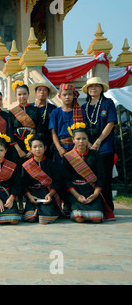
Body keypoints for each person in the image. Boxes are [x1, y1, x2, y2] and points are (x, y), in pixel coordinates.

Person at [62, 124, 115, 223]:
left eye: (84, 138)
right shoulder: (68, 157)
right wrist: (77, 196)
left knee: (97, 219)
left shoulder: (96, 155)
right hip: (75, 190)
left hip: (91, 189)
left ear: (88, 139)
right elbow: (66, 179)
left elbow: (101, 176)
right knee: (79, 218)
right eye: (78, 139)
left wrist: (95, 194)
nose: (81, 141)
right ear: (73, 140)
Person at [81, 77, 117, 212]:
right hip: (88, 147)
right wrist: (89, 143)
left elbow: (111, 123)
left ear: (101, 88)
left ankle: (108, 207)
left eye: (96, 86)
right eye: (90, 87)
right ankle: (93, 205)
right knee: (90, 177)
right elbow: (82, 127)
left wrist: (98, 141)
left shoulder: (108, 103)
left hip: (104, 146)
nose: (93, 89)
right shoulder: (84, 107)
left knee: (105, 177)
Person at [21, 134, 62, 224]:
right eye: (35, 147)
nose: (38, 149)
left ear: (45, 148)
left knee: (44, 219)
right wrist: (29, 196)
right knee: (30, 218)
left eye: (40, 146)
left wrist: (50, 195)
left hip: (47, 192)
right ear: (30, 149)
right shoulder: (26, 165)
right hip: (33, 194)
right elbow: (23, 184)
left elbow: (57, 182)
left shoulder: (51, 164)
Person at [49, 83, 86, 171]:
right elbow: (53, 132)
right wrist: (59, 148)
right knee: (61, 172)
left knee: (76, 172)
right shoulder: (56, 112)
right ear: (59, 96)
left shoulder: (80, 112)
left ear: (74, 96)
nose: (67, 97)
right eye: (64, 95)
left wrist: (75, 148)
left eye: (70, 94)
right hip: (61, 147)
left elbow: (83, 131)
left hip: (77, 147)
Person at [9, 81, 43, 164]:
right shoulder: (12, 112)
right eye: (19, 94)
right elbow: (9, 131)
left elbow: (39, 129)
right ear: (15, 96)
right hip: (17, 145)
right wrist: (18, 149)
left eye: (24, 94)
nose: (22, 97)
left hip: (34, 145)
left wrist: (33, 149)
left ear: (28, 94)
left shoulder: (36, 110)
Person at [29, 80, 58, 159]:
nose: (42, 92)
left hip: (48, 143)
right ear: (36, 92)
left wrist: (53, 143)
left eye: (45, 90)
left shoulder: (53, 108)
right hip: (32, 142)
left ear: (48, 93)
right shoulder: (30, 107)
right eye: (39, 90)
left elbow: (55, 127)